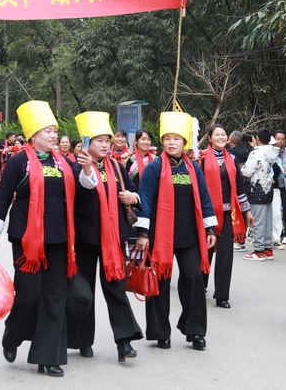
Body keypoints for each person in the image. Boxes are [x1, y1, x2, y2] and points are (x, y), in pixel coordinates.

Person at [0, 101, 79, 378]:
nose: (52, 136)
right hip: (26, 239)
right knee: (29, 294)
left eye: (54, 131)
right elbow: (2, 197)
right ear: (33, 135)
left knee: (54, 296)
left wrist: (86, 174)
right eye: (47, 131)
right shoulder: (19, 161)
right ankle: (12, 335)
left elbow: (76, 198)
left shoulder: (65, 163)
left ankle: (47, 356)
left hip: (59, 237)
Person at [134, 111, 218, 351]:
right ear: (163, 141)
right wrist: (143, 233)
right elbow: (145, 200)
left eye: (177, 138)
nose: (172, 142)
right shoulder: (154, 169)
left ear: (185, 142)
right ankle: (161, 332)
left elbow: (204, 197)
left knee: (193, 278)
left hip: (189, 234)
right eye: (168, 138)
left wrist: (210, 227)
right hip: (161, 236)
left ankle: (195, 331)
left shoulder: (194, 169)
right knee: (159, 281)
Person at [68, 111, 143, 363]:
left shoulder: (118, 168)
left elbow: (135, 193)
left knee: (116, 288)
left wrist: (133, 198)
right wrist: (87, 168)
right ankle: (82, 341)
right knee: (84, 290)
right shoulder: (74, 168)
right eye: (98, 140)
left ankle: (124, 343)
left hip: (114, 239)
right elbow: (82, 187)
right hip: (86, 239)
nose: (103, 144)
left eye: (107, 140)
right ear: (86, 143)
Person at [201, 124, 253, 309]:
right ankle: (200, 286)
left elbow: (239, 188)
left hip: (228, 212)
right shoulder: (200, 159)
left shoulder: (232, 159)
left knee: (225, 254)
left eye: (224, 134)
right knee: (205, 251)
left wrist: (246, 211)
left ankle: (222, 295)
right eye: (217, 135)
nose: (221, 137)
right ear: (210, 138)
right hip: (206, 214)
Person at [241, 128, 282, 261]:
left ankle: (258, 251)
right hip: (268, 189)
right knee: (267, 221)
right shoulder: (272, 152)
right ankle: (267, 249)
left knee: (257, 221)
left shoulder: (256, 154)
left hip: (257, 188)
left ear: (258, 139)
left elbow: (246, 172)